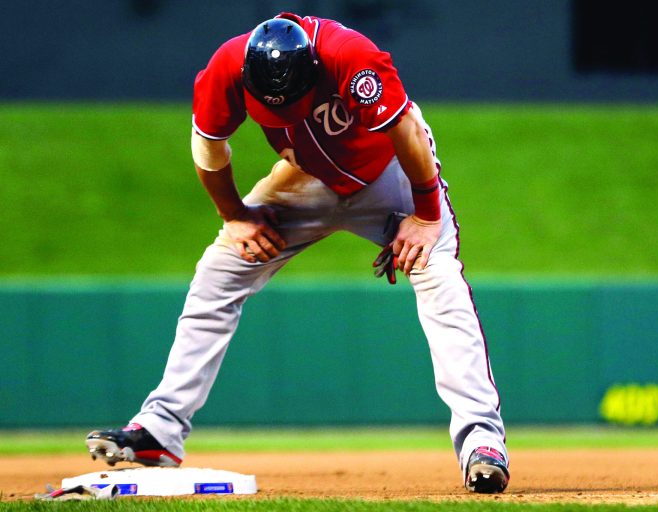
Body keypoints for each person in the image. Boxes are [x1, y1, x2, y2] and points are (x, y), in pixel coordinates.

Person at [85, 13, 508, 493]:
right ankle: (159, 430)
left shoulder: (350, 56)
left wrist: (427, 216)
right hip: (306, 179)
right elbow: (208, 146)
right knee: (220, 270)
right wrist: (234, 214)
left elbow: (406, 129)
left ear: (312, 72)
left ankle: (481, 442)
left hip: (390, 174)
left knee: (439, 277)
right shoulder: (226, 68)